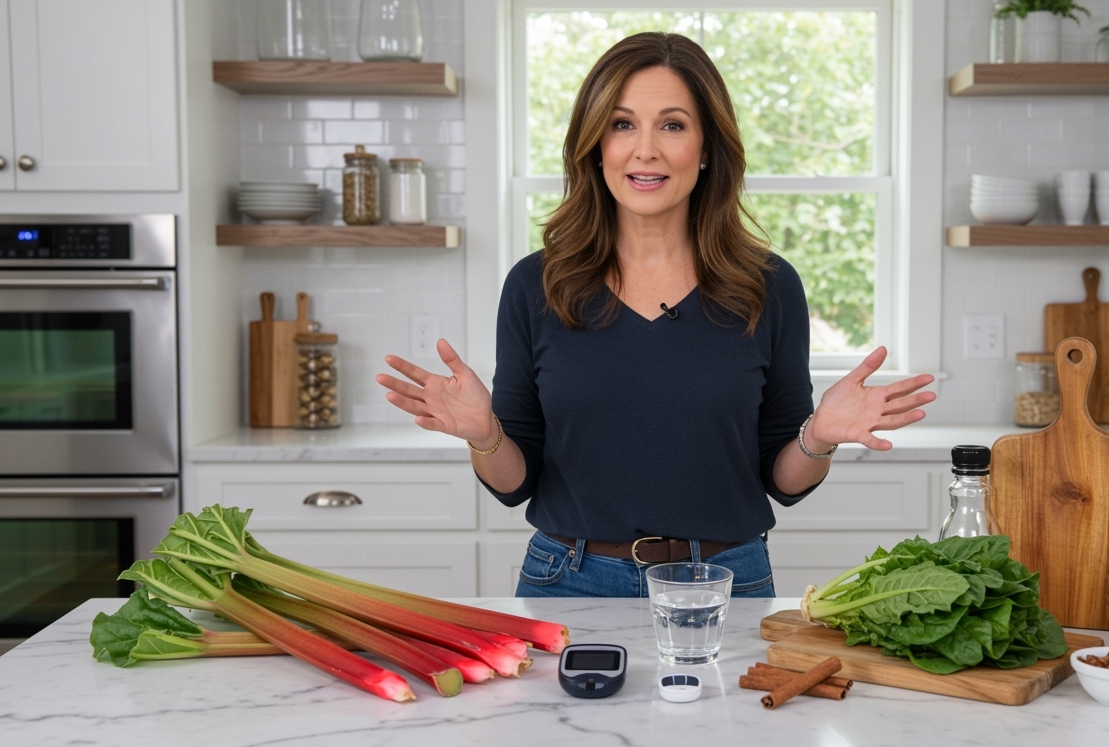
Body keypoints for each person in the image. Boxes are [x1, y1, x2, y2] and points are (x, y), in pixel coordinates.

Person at [376, 32, 935, 598]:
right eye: (622, 124)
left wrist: (818, 437)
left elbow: (783, 482)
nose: (645, 150)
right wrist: (484, 434)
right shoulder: (536, 284)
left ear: (707, 145)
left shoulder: (769, 285)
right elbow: (514, 485)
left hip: (727, 583)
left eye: (672, 125)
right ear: (595, 145)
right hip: (568, 580)